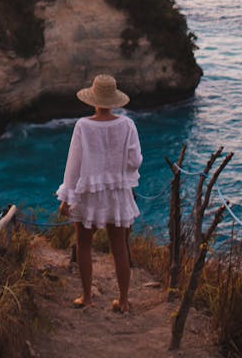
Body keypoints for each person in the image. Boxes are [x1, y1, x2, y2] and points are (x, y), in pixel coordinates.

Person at [56, 74, 142, 312]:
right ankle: (123, 301)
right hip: (116, 193)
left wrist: (67, 198)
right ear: (114, 100)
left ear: (93, 100)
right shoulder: (127, 125)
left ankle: (87, 297)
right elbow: (135, 161)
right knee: (119, 247)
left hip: (88, 194)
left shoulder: (83, 125)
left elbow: (73, 165)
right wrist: (118, 172)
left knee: (83, 244)